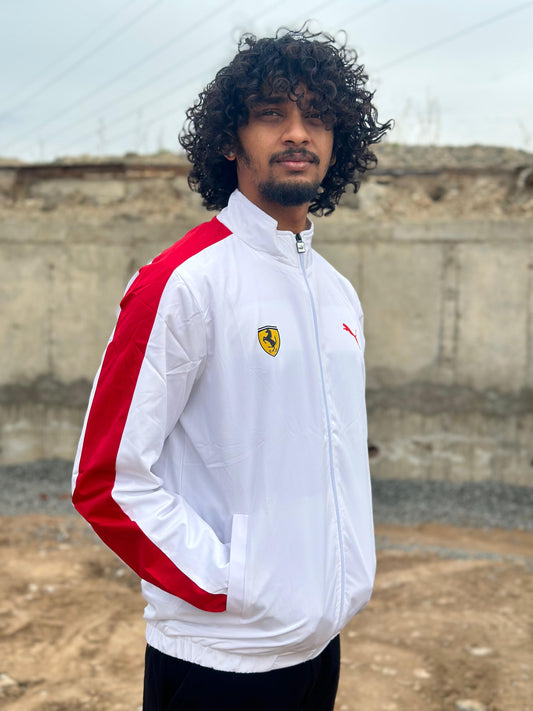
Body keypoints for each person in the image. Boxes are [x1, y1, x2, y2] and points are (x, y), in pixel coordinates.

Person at [72, 26, 391, 711]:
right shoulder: (182, 282)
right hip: (220, 660)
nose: (297, 133)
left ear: (338, 141)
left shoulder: (337, 293)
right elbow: (106, 478)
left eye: (317, 116)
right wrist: (234, 584)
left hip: (318, 648)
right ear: (229, 139)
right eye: (272, 114)